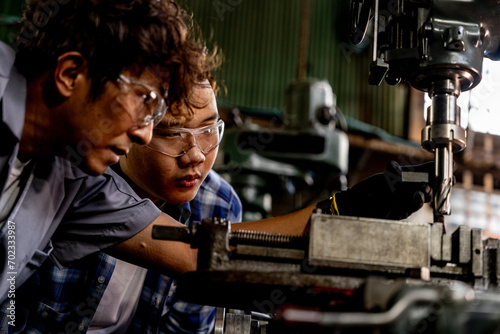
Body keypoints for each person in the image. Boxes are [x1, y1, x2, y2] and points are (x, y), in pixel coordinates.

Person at [0, 0, 433, 317]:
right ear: (70, 74)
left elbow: (195, 254)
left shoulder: (75, 179)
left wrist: (347, 210)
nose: (144, 133)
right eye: (145, 102)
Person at [0, 83, 240, 333]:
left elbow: (186, 326)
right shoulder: (71, 178)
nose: (196, 155)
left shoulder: (219, 204)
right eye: (171, 133)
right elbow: (11, 312)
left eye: (209, 129)